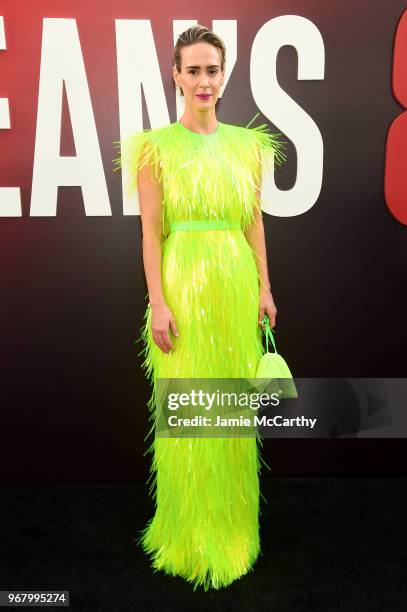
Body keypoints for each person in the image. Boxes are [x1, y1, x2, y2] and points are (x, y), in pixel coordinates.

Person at [113, 24, 287, 591]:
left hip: (235, 286)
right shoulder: (154, 148)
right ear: (176, 75)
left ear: (224, 74)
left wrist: (264, 287)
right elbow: (149, 234)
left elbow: (253, 221)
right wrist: (157, 302)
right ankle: (187, 534)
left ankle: (235, 531)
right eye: (193, 70)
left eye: (212, 69)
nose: (204, 80)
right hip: (182, 284)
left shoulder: (248, 146)